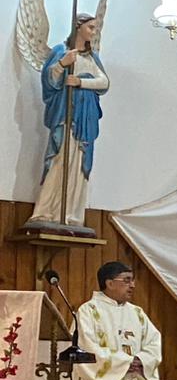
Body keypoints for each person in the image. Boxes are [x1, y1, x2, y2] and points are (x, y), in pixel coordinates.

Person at [29, 13, 110, 229]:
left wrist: (81, 82)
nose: (94, 32)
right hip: (67, 117)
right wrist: (63, 65)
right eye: (91, 27)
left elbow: (104, 83)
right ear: (79, 27)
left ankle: (72, 213)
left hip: (85, 119)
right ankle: (47, 211)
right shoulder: (61, 51)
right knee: (60, 160)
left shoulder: (92, 58)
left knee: (79, 165)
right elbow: (49, 81)